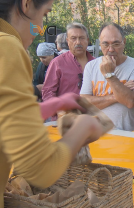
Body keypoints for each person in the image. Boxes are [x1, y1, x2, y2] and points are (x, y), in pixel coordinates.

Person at [0, 1, 104, 207]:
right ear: (27, 4)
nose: (39, 29)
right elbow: (41, 168)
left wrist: (55, 104)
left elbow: (8, 116)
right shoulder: (7, 46)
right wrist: (82, 129)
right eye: (44, 15)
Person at [80, 22, 134, 131]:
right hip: (98, 133)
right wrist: (117, 95)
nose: (110, 49)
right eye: (105, 44)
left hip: (129, 134)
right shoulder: (91, 66)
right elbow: (84, 104)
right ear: (100, 44)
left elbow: (130, 101)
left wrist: (109, 75)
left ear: (124, 42)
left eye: (116, 44)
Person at [42, 22, 95, 107]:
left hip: (91, 117)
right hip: (66, 116)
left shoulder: (96, 64)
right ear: (68, 41)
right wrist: (59, 110)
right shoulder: (57, 63)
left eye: (81, 38)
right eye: (73, 38)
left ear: (87, 40)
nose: (78, 42)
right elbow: (48, 92)